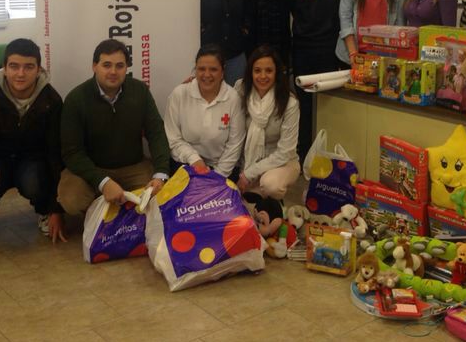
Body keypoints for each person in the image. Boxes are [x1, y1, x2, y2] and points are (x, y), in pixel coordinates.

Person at [0, 39, 66, 243]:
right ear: (4, 67)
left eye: (28, 67)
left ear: (38, 69)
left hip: (32, 160)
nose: (20, 74)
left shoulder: (52, 100)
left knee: (35, 183)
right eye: (14, 66)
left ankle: (42, 211)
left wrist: (55, 208)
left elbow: (55, 152)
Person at [58, 39, 170, 215]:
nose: (113, 72)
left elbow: (156, 132)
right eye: (106, 65)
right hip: (91, 168)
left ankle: (121, 216)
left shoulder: (140, 91)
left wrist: (161, 174)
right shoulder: (76, 99)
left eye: (120, 66)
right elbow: (72, 153)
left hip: (133, 166)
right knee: (72, 200)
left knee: (160, 195)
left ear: (127, 68)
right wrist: (103, 182)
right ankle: (99, 215)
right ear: (94, 66)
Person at [286, 0, 350, 162]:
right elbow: (290, 7)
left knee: (328, 105)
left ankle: (326, 155)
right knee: (303, 104)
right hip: (302, 47)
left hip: (330, 49)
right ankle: (303, 155)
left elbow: (346, 9)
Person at [164, 44, 245, 177]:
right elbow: (173, 139)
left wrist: (217, 177)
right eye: (201, 69)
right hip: (187, 165)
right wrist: (195, 160)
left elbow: (235, 144)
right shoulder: (179, 94)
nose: (207, 75)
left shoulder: (233, 98)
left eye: (213, 69)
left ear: (222, 71)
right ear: (195, 70)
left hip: (224, 169)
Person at [234, 45, 300, 201]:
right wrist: (192, 85)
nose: (263, 76)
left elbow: (284, 152)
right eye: (257, 70)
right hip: (248, 162)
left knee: (270, 185)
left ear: (276, 72)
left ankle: (269, 198)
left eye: (269, 71)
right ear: (250, 72)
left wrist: (248, 175)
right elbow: (219, 95)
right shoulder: (241, 89)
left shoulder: (289, 102)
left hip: (282, 163)